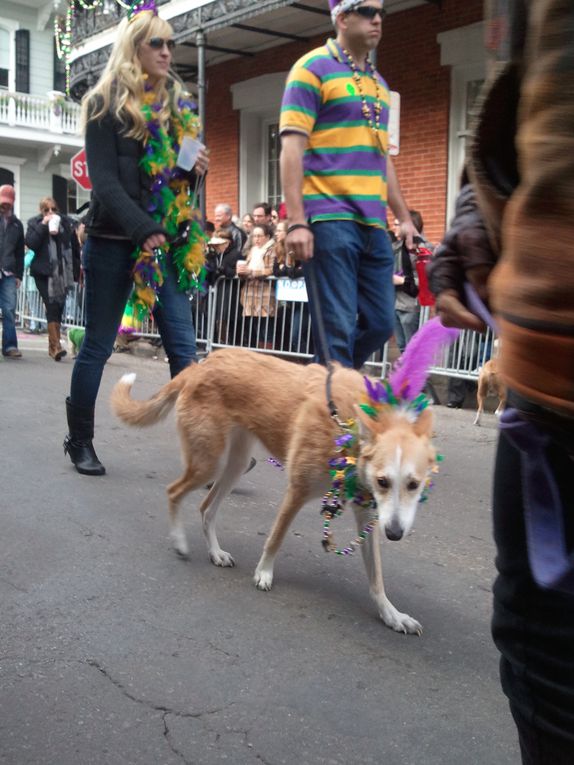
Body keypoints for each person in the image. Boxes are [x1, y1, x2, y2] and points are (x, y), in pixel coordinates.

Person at [429, 1, 574, 762]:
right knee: (540, 653)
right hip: (545, 350)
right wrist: (472, 212)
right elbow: (516, 53)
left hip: (554, 345)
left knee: (547, 661)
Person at [64, 2, 209, 476]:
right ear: (135, 49)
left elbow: (174, 185)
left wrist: (193, 170)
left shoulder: (174, 109)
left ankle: (206, 452)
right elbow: (104, 183)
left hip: (160, 243)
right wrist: (142, 229)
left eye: (171, 43)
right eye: (158, 43)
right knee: (99, 345)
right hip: (110, 239)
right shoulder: (103, 104)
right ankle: (79, 440)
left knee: (184, 351)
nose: (168, 51)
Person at [280, 0, 417, 369]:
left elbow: (382, 157)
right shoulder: (310, 69)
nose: (378, 20)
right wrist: (296, 221)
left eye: (382, 13)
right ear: (342, 18)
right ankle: (333, 409)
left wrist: (404, 218)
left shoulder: (380, 86)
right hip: (329, 219)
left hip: (373, 225)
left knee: (378, 324)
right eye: (368, 12)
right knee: (337, 329)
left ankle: (321, 383)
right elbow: (291, 149)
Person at [25, 197, 80, 361]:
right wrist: (44, 225)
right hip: (43, 272)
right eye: (46, 210)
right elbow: (31, 244)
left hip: (62, 273)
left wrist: (59, 228)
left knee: (59, 306)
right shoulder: (34, 223)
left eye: (53, 209)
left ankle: (52, 347)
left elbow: (72, 246)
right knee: (51, 305)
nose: (50, 213)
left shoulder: (65, 223)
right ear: (41, 211)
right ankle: (55, 347)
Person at [237, 223, 276, 348]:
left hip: (265, 294)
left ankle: (268, 356)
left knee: (266, 329)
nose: (256, 239)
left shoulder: (271, 250)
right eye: (254, 236)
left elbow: (270, 270)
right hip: (250, 294)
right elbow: (246, 269)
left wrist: (251, 272)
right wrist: (241, 272)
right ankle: (259, 356)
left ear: (268, 236)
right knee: (255, 329)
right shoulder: (252, 251)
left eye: (260, 236)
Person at [393, 209, 426, 353]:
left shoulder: (422, 249)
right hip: (395, 304)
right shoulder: (395, 248)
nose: (394, 227)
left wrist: (400, 280)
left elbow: (426, 281)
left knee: (412, 349)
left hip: (411, 305)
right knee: (402, 347)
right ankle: (406, 375)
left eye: (397, 224)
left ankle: (415, 375)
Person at [0, 184, 24, 359]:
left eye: (7, 203)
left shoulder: (17, 225)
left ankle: (10, 346)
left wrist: (19, 275)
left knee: (9, 309)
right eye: (2, 203)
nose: (5, 206)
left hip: (8, 272)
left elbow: (19, 253)